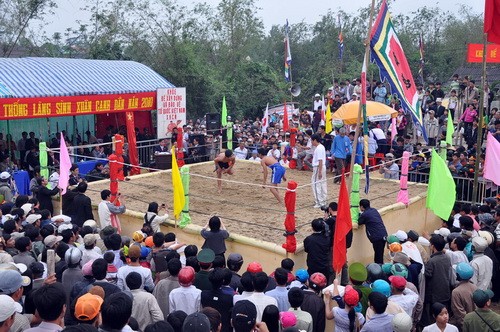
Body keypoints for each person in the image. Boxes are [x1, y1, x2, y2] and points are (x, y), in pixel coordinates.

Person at [358, 199, 388, 264]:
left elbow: (359, 222)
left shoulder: (364, 214)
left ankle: (379, 271)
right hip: (383, 234)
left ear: (362, 207)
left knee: (378, 257)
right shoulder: (374, 210)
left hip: (377, 238)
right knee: (380, 254)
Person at [449, 262, 477, 330]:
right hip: (475, 323)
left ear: (458, 275)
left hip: (464, 326)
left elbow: (459, 313)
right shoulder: (475, 287)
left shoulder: (456, 292)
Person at [310, 134, 327, 208]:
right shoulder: (321, 147)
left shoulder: (319, 148)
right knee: (322, 183)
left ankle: (319, 202)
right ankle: (323, 200)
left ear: (315, 140)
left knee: (316, 184)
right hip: (321, 166)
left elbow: (320, 160)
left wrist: (319, 171)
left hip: (318, 167)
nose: (311, 142)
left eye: (311, 140)